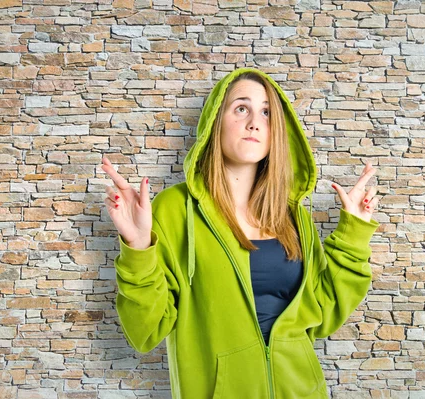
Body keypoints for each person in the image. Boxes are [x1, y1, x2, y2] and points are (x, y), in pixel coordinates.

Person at [101, 68, 379, 399]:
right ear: (215, 122)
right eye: (242, 108)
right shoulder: (174, 211)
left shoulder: (292, 216)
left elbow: (323, 314)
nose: (255, 122)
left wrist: (353, 234)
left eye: (266, 112)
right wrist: (138, 246)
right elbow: (145, 330)